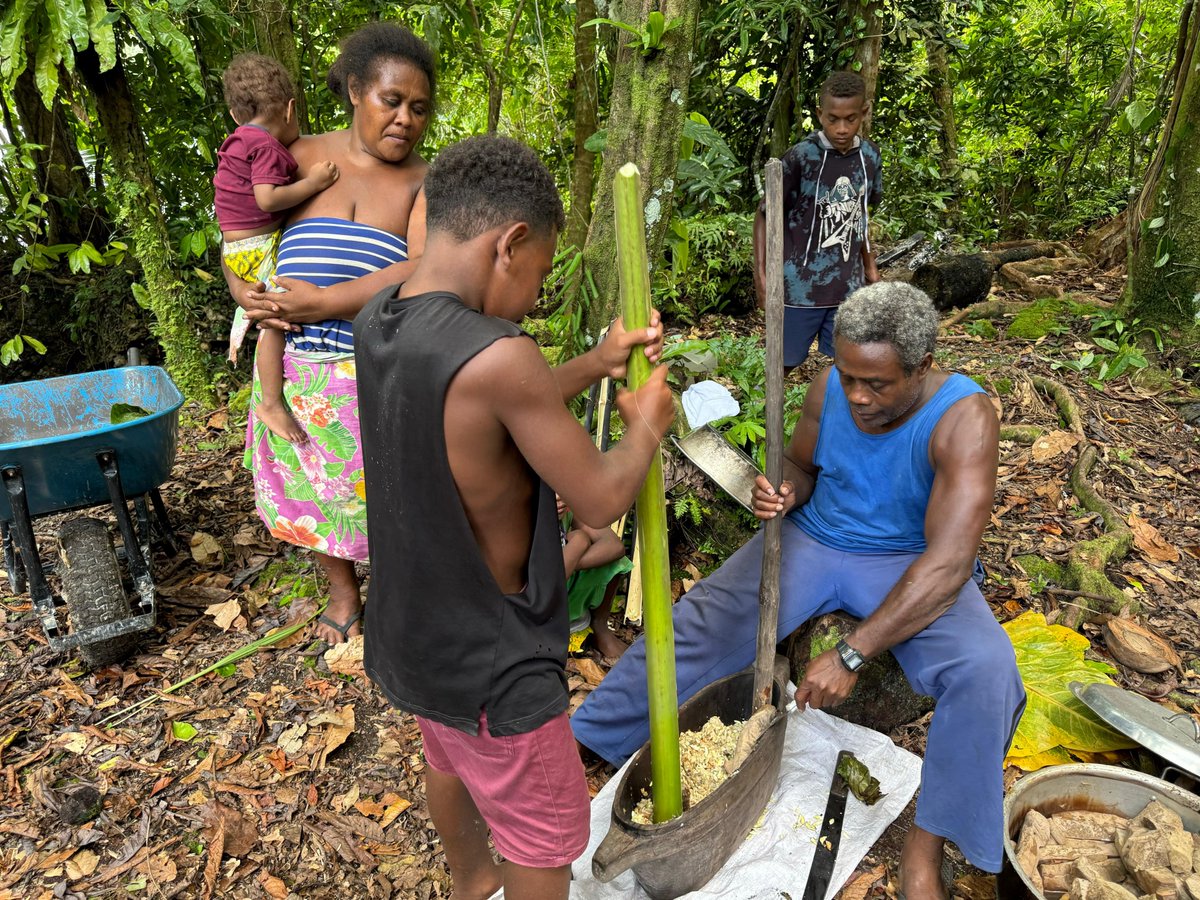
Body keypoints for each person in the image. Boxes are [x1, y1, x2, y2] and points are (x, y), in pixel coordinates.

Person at [571, 283, 1026, 900]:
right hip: (818, 535)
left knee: (987, 669)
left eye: (878, 384)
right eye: (847, 376)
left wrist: (852, 653)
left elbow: (948, 564)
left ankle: (929, 844)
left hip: (910, 560)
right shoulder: (828, 387)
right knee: (704, 619)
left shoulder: (964, 417)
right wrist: (781, 490)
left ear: (921, 367)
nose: (858, 397)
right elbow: (802, 466)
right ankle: (592, 738)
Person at [354, 135, 674, 900]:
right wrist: (648, 426)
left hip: (414, 636)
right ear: (511, 243)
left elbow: (487, 410)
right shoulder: (502, 353)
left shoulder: (380, 319)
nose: (533, 296)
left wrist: (595, 364)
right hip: (497, 665)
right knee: (540, 836)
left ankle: (470, 884)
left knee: (449, 764)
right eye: (538, 275)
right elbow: (599, 498)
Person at [222, 23, 434, 645]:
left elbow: (421, 266)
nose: (404, 119)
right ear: (354, 91)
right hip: (289, 361)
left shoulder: (424, 181)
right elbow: (242, 226)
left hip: (369, 362)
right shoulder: (302, 156)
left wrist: (325, 302)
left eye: (418, 108)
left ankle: (396, 592)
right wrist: (246, 293)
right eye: (389, 101)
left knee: (386, 487)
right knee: (305, 482)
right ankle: (343, 592)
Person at [215, 52, 340, 443]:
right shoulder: (266, 146)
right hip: (256, 248)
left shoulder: (236, 143)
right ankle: (270, 401)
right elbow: (268, 200)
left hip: (236, 249)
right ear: (290, 109)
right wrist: (314, 183)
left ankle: (269, 398)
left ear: (236, 115)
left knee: (271, 315)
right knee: (276, 322)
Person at [753, 70, 882, 372]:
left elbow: (860, 213)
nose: (841, 128)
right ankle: (766, 416)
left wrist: (870, 267)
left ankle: (838, 417)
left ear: (864, 113)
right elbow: (763, 216)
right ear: (819, 114)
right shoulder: (801, 158)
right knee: (783, 363)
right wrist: (761, 279)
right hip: (797, 288)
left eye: (850, 119)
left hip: (848, 288)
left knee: (852, 365)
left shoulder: (870, 157)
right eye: (832, 118)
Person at [559, 496, 632, 659]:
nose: (559, 497)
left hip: (564, 598)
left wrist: (573, 559)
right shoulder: (521, 517)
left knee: (615, 561)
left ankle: (599, 626)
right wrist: (579, 542)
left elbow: (614, 546)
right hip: (532, 612)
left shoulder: (569, 512)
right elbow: (544, 578)